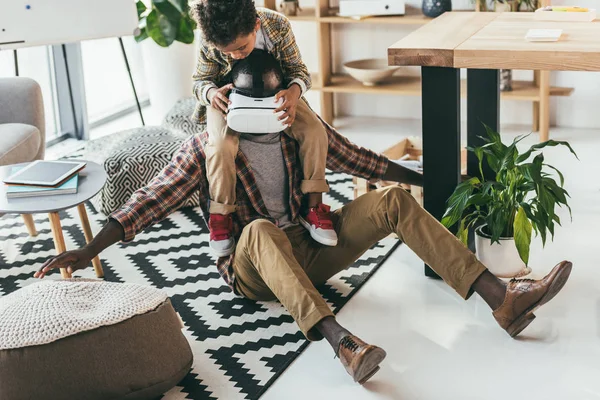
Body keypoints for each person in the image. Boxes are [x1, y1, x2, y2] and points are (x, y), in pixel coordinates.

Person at [190, 0, 337, 257]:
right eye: (228, 52)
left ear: (256, 25)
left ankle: (314, 206)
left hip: (276, 92)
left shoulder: (277, 26)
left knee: (315, 131)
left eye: (241, 47)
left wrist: (293, 93)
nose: (235, 55)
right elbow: (200, 81)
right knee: (220, 146)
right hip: (228, 96)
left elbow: (299, 71)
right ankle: (221, 216)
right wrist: (210, 92)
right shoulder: (208, 37)